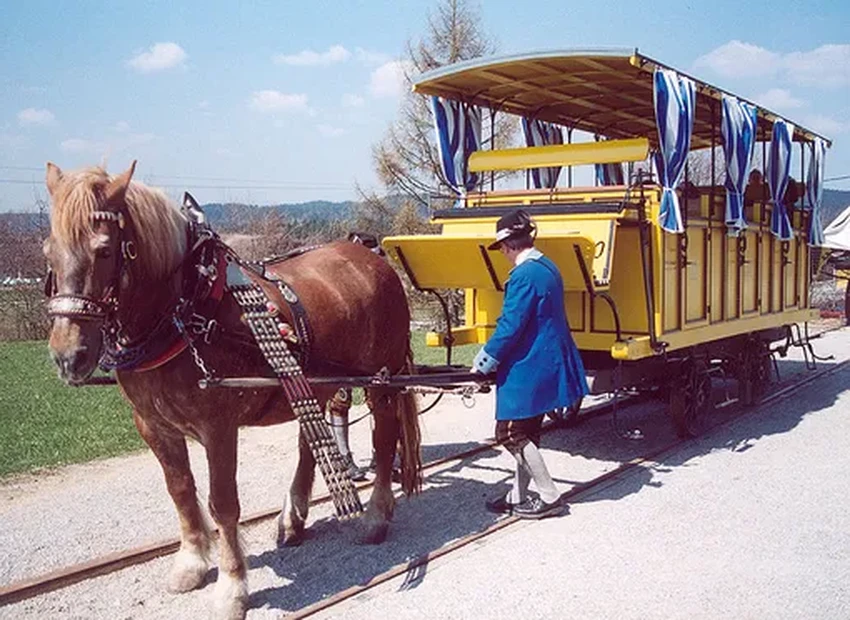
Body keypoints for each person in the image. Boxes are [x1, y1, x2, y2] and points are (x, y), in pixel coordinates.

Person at [472, 210, 589, 519]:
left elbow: (511, 326)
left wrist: (483, 363)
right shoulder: (547, 266)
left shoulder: (524, 275)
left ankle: (549, 496)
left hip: (530, 363)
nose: (503, 254)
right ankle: (518, 495)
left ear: (508, 245)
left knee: (509, 433)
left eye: (502, 248)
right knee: (528, 430)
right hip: (546, 359)